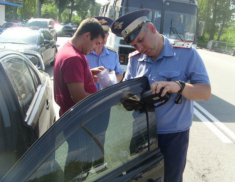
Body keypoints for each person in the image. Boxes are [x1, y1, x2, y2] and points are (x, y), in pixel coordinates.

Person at [111, 9, 211, 182]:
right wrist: (123, 96)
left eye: (140, 40)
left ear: (151, 28)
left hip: (173, 137)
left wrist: (178, 86)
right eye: (134, 45)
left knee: (171, 179)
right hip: (141, 133)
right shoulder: (135, 59)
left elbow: (205, 92)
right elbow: (127, 95)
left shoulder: (186, 53)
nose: (140, 48)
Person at [54, 18, 105, 116]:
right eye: (96, 43)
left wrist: (88, 73)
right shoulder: (73, 58)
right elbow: (79, 97)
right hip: (79, 120)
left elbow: (69, 75)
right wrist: (104, 98)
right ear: (87, 36)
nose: (95, 48)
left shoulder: (69, 49)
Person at [86, 17, 124, 90]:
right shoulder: (84, 54)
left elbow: (120, 73)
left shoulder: (113, 54)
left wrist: (112, 82)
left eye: (103, 36)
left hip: (106, 97)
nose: (100, 40)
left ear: (108, 36)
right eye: (97, 36)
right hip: (88, 97)